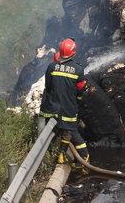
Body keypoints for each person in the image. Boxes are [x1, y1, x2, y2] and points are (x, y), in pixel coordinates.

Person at [39, 38, 90, 168]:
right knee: (72, 132)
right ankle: (85, 159)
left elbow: (48, 87)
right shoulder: (78, 70)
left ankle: (59, 156)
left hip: (53, 109)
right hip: (69, 109)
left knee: (55, 132)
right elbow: (80, 89)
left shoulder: (51, 67)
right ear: (73, 52)